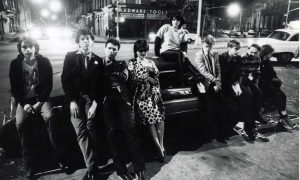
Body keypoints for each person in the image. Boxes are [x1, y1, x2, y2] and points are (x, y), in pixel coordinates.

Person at [9, 37, 67, 178]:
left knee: (49, 117)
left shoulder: (44, 62)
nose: (28, 50)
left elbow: (48, 86)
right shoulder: (15, 64)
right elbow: (15, 88)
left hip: (41, 99)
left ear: (35, 47)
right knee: (20, 123)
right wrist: (24, 104)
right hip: (24, 101)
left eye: (30, 47)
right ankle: (28, 163)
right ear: (20, 49)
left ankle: (60, 157)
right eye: (24, 47)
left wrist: (39, 103)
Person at [61, 29, 103, 179]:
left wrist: (95, 104)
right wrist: (72, 101)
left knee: (91, 127)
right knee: (80, 130)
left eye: (88, 39)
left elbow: (101, 86)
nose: (86, 41)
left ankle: (97, 160)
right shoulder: (71, 57)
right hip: (75, 99)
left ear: (92, 41)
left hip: (91, 99)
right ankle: (91, 166)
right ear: (78, 42)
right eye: (82, 39)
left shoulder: (99, 60)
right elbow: (65, 80)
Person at [102, 38, 146, 180]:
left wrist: (111, 75)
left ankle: (140, 169)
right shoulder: (98, 63)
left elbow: (124, 78)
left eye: (115, 49)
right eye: (109, 48)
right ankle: (121, 171)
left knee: (130, 132)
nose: (112, 51)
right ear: (105, 48)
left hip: (122, 100)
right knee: (112, 134)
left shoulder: (121, 64)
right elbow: (96, 81)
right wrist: (113, 75)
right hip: (105, 101)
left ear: (117, 51)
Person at [219, 40, 268, 142]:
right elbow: (223, 75)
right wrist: (233, 85)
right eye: (236, 49)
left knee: (248, 94)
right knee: (244, 97)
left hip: (234, 83)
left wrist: (236, 84)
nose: (237, 52)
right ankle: (249, 127)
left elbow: (237, 73)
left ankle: (242, 124)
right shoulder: (221, 57)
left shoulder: (237, 58)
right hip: (224, 84)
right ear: (229, 48)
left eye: (238, 49)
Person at [128, 40, 166, 162]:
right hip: (141, 97)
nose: (142, 53)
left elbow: (157, 80)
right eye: (140, 51)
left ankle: (161, 145)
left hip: (154, 95)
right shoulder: (132, 63)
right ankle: (158, 148)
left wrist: (156, 92)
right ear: (136, 51)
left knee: (160, 119)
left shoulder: (151, 62)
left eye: (144, 50)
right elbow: (133, 79)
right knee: (150, 121)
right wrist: (148, 77)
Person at [194, 35, 225, 143]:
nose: (209, 48)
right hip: (206, 84)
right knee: (211, 109)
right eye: (207, 46)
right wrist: (215, 81)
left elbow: (218, 67)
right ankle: (213, 134)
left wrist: (219, 81)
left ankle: (220, 133)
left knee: (220, 107)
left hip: (216, 83)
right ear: (203, 44)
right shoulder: (199, 55)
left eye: (211, 46)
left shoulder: (215, 53)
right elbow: (203, 71)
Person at [259, 44, 297, 129]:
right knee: (279, 96)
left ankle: (283, 116)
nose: (272, 54)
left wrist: (277, 79)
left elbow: (272, 73)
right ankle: (283, 117)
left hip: (269, 83)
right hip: (263, 85)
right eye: (270, 53)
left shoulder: (267, 61)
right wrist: (275, 80)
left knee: (282, 96)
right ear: (266, 53)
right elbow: (263, 76)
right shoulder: (260, 62)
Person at [154, 13, 188, 81]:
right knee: (179, 54)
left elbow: (184, 44)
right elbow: (157, 40)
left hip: (177, 52)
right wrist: (157, 54)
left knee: (186, 60)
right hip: (166, 51)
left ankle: (196, 75)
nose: (175, 22)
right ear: (171, 20)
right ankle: (182, 77)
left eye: (178, 20)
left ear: (180, 22)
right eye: (174, 19)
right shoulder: (166, 27)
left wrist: (184, 52)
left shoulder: (182, 31)